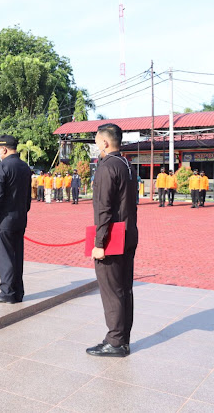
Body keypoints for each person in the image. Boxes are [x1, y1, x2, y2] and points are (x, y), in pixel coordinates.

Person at [87, 123, 138, 357]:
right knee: (124, 289)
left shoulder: (106, 167)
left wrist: (99, 244)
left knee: (112, 290)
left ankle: (115, 341)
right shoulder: (127, 164)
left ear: (105, 142)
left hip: (112, 238)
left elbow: (104, 210)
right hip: (128, 233)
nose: (96, 144)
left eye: (97, 140)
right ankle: (123, 338)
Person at [0, 135, 31, 304]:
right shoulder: (25, 167)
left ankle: (7, 292)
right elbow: (28, 197)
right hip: (20, 217)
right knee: (17, 255)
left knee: (5, 256)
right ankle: (17, 293)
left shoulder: (2, 166)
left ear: (4, 149)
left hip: (4, 219)